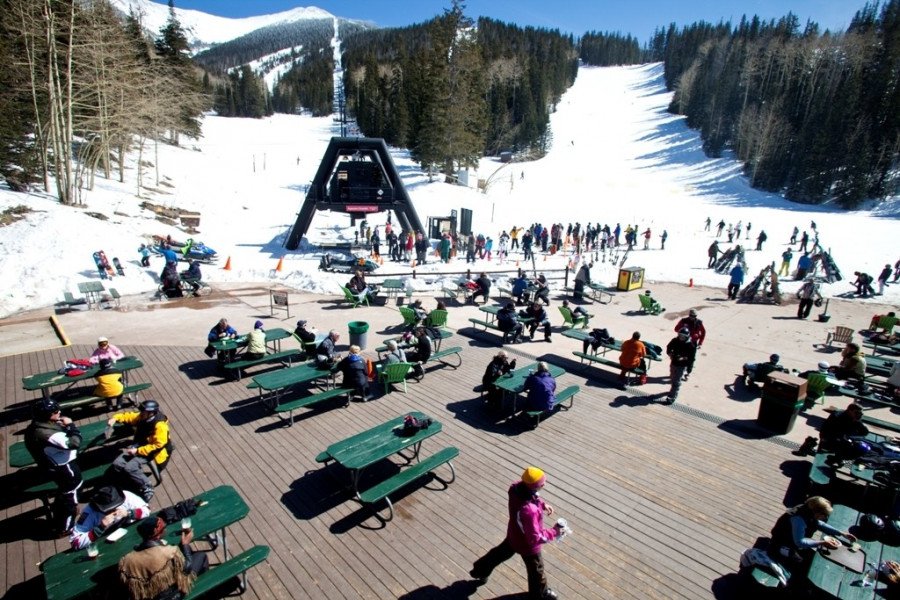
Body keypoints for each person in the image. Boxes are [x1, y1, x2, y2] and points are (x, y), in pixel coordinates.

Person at [470, 467, 562, 599]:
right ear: (534, 487)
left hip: (514, 534)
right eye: (542, 483)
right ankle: (541, 595)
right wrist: (555, 531)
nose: (544, 484)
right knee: (537, 571)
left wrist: (541, 504)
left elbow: (531, 497)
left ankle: (479, 571)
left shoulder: (515, 488)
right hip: (527, 546)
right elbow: (535, 537)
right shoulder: (529, 511)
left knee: (498, 554)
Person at [24, 398, 83, 535]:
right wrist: (71, 426)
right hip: (65, 468)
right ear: (47, 415)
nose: (59, 412)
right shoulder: (47, 434)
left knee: (65, 492)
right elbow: (74, 443)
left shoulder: (35, 427)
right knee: (71, 495)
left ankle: (61, 512)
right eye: (56, 412)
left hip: (53, 465)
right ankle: (66, 527)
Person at [119, 516, 209, 600]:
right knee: (201, 556)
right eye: (164, 528)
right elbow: (186, 569)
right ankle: (205, 593)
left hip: (148, 596)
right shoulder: (169, 552)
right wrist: (185, 544)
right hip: (172, 595)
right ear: (157, 533)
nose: (166, 529)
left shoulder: (126, 560)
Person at [106, 400, 171, 502]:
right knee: (117, 464)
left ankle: (147, 486)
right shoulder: (143, 417)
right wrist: (115, 418)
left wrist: (137, 451)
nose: (141, 413)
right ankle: (123, 481)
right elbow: (129, 416)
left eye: (144, 412)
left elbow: (158, 446)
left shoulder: (160, 426)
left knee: (130, 467)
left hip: (152, 452)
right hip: (138, 447)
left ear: (151, 413)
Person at [767, 496, 855, 572]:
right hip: (780, 545)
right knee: (803, 564)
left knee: (812, 558)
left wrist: (841, 533)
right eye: (825, 514)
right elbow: (800, 542)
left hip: (794, 542)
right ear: (817, 512)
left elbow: (819, 524)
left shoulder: (808, 511)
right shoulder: (798, 519)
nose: (826, 517)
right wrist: (822, 543)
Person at [70, 485, 150, 550]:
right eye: (109, 509)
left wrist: (130, 513)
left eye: (116, 506)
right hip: (101, 545)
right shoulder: (89, 513)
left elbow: (147, 510)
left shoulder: (125, 496)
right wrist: (100, 528)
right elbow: (75, 542)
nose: (113, 511)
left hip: (129, 536)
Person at [665, 328, 696, 404]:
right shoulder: (675, 340)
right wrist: (669, 353)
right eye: (680, 335)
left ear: (687, 336)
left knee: (676, 381)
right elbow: (669, 347)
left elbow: (692, 359)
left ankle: (672, 396)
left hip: (682, 366)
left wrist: (689, 369)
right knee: (672, 377)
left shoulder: (691, 346)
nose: (681, 337)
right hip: (674, 363)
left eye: (683, 336)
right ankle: (674, 389)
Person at [674, 309, 706, 381]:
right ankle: (677, 370)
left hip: (692, 344)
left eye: (694, 316)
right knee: (679, 356)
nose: (692, 317)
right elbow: (676, 329)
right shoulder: (684, 321)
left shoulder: (699, 323)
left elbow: (703, 333)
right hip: (682, 342)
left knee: (691, 359)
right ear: (689, 315)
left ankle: (688, 373)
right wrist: (683, 330)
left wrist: (700, 342)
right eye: (691, 316)